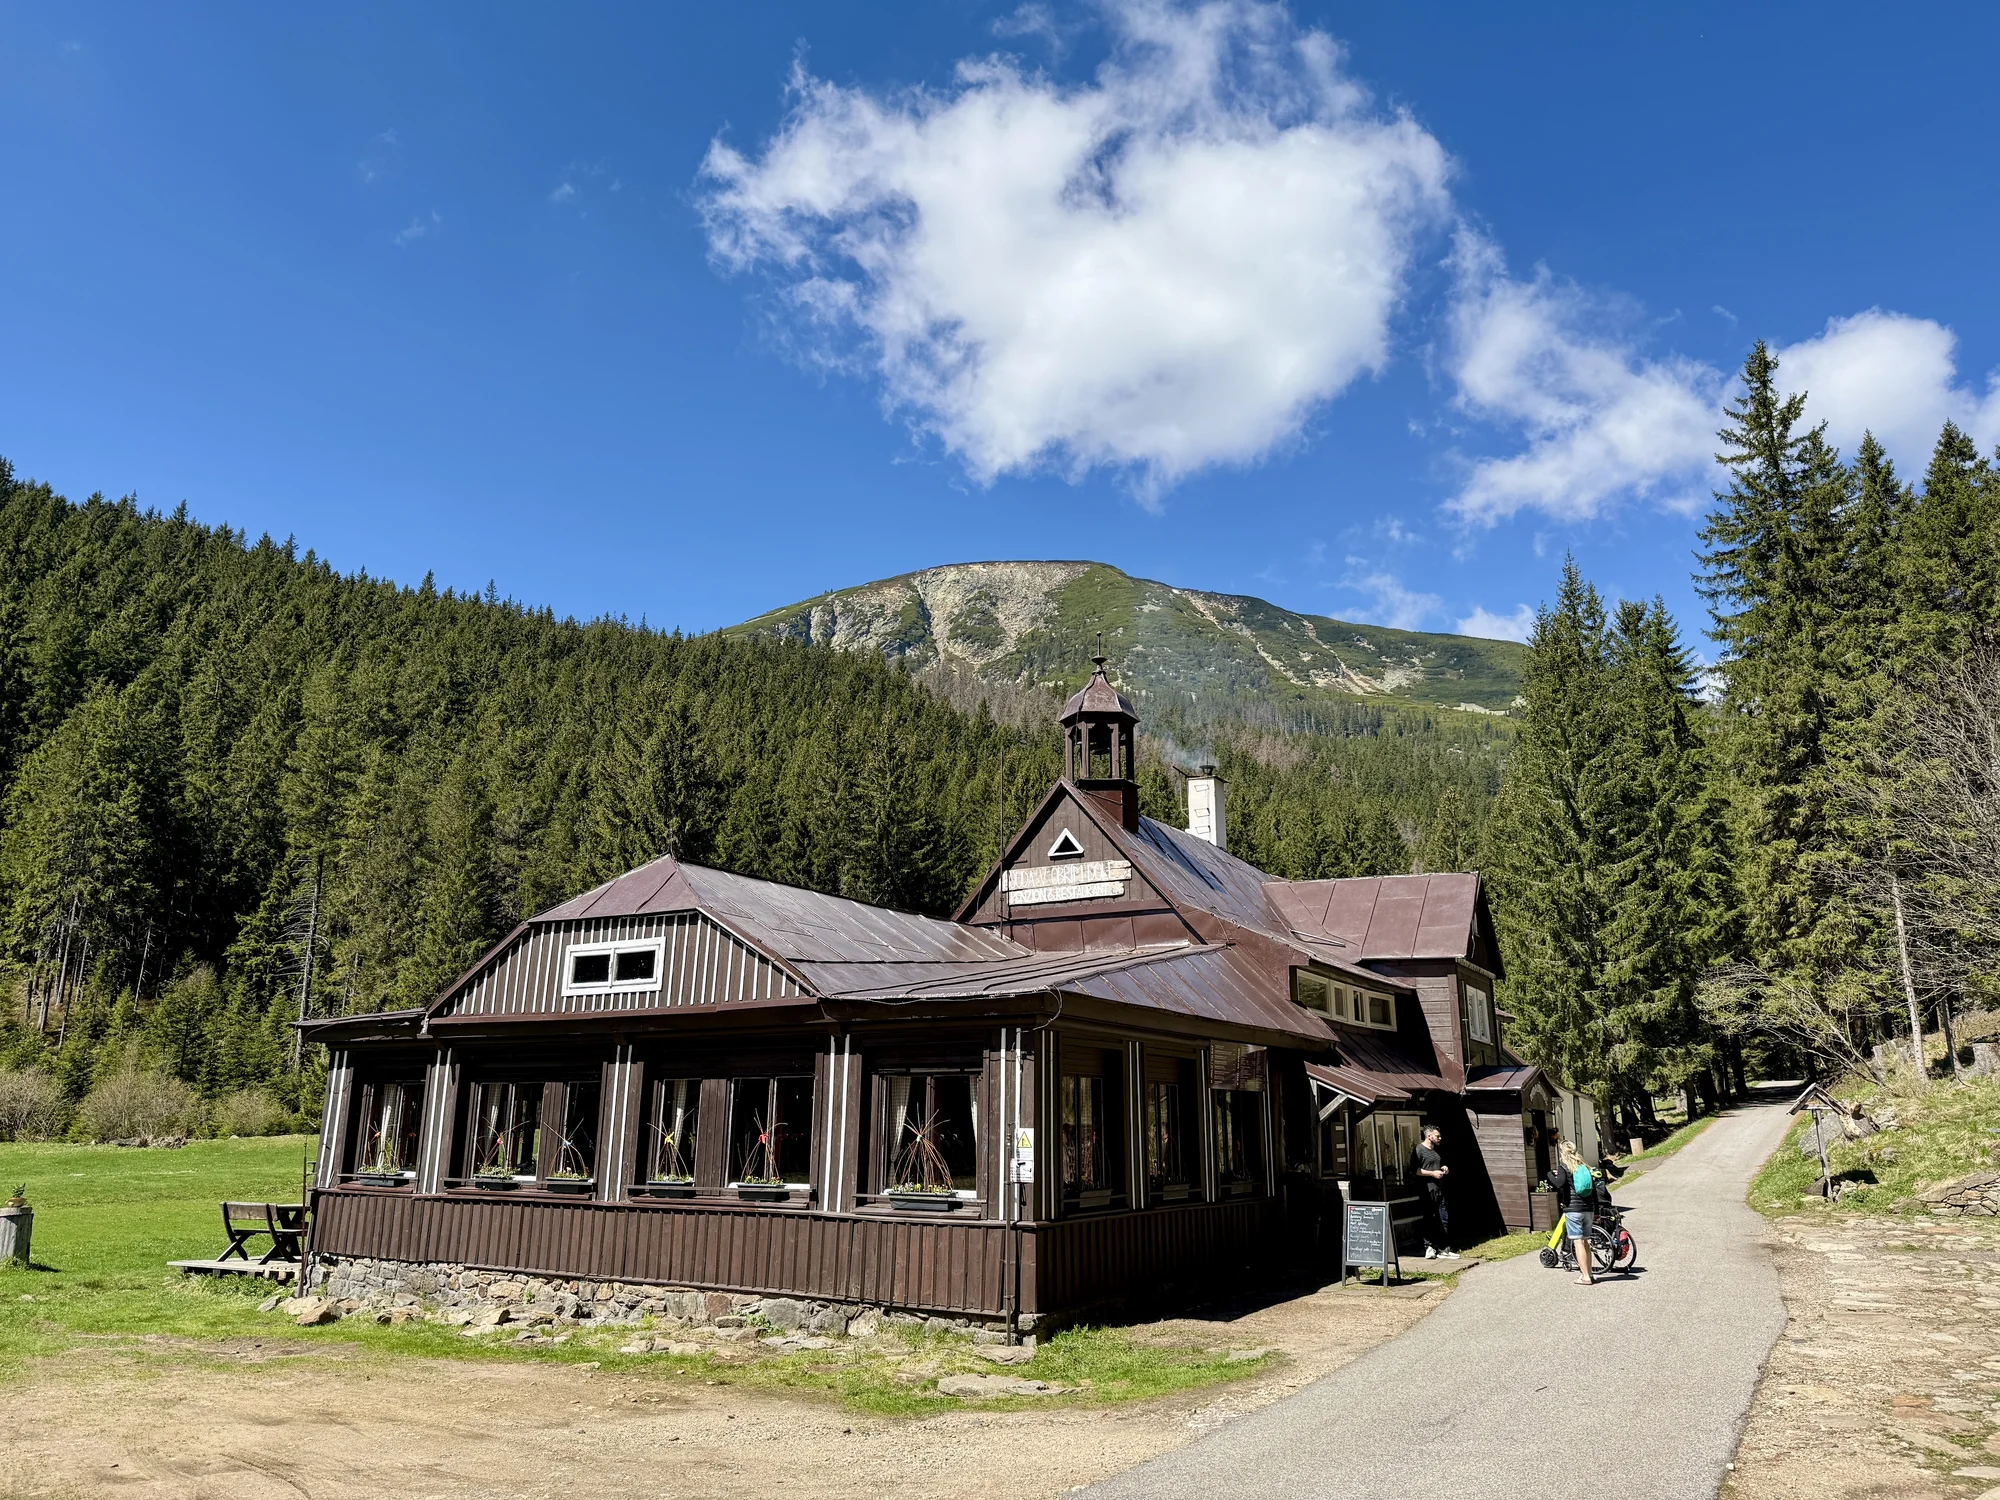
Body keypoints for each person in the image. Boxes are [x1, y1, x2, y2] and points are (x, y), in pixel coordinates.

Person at [1551, 1140, 1596, 1286]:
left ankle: (1585, 1277)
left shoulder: (1565, 1166)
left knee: (1578, 1243)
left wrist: (1550, 1174)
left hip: (1573, 1209)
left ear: (1562, 1152)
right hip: (1588, 1208)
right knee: (1585, 1242)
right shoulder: (1583, 1165)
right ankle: (1589, 1273)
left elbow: (1559, 1183)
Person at [1412, 1124, 1457, 1259]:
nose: (1440, 1138)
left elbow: (1439, 1163)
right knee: (1429, 1218)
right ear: (1429, 1136)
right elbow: (1415, 1170)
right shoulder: (1418, 1150)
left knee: (1444, 1218)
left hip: (1439, 1188)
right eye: (1437, 1136)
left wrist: (1444, 1168)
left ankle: (1444, 1248)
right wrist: (1432, 1174)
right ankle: (1429, 1248)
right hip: (1427, 1189)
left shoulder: (1437, 1151)